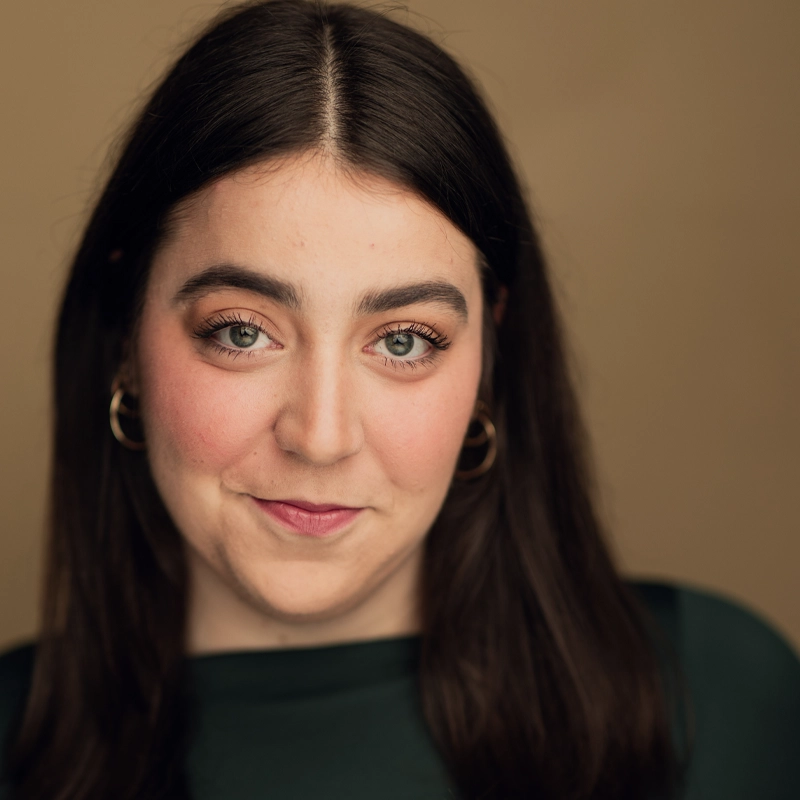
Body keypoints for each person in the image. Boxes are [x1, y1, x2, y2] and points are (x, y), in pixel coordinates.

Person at [1, 1, 798, 798]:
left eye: (404, 340)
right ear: (125, 334)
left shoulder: (716, 697)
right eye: (242, 332)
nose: (320, 436)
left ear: (488, 356)